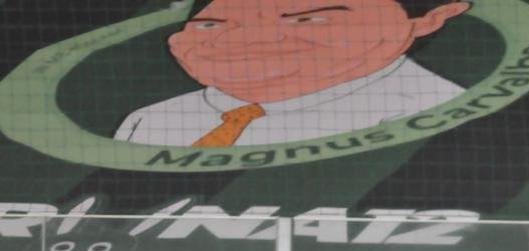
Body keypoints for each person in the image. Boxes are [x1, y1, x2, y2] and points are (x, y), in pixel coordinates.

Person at [114, 0, 471, 147]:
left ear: (428, 20)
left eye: (308, 19)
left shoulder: (434, 113)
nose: (249, 40)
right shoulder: (152, 120)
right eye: (211, 25)